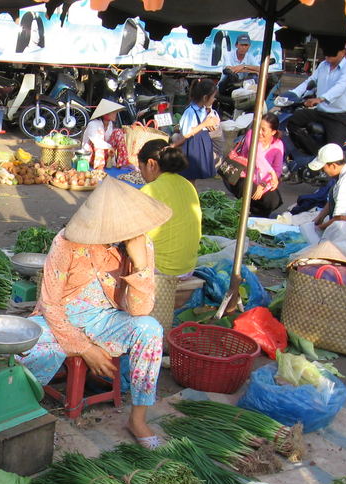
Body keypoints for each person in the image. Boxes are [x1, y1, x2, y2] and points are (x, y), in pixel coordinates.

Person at [18, 177, 172, 448]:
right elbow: (51, 304)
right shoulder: (66, 242)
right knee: (19, 353)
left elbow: (140, 310)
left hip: (107, 319)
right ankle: (21, 406)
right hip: (59, 320)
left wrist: (140, 265)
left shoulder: (141, 245)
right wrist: (84, 348)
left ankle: (137, 419)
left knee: (150, 329)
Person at [138, 140, 201, 338]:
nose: (141, 175)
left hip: (162, 272)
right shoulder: (188, 186)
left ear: (151, 164)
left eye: (141, 168)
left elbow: (134, 236)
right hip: (187, 268)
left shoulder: (150, 191)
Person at [287, 43, 346, 155]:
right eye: (327, 52)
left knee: (334, 154)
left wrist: (320, 99)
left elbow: (340, 87)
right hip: (320, 112)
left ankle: (324, 160)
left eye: (332, 53)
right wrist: (292, 93)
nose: (328, 56)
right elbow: (310, 81)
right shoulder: (323, 65)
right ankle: (315, 153)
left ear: (343, 52)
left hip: (339, 117)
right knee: (291, 120)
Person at [225, 113, 285, 218]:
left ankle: (256, 219)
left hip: (263, 182)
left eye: (263, 130)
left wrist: (264, 185)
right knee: (252, 191)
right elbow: (256, 155)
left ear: (273, 132)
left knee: (273, 200)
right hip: (240, 176)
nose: (259, 132)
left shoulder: (278, 144)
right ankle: (245, 214)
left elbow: (278, 170)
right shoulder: (251, 135)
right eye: (258, 127)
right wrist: (271, 173)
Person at [177, 78, 220, 182]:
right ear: (205, 97)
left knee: (194, 178)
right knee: (190, 178)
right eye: (213, 97)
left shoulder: (203, 110)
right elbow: (187, 133)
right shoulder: (190, 111)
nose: (214, 99)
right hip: (193, 148)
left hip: (200, 146)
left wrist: (210, 124)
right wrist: (205, 124)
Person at [81, 98, 129, 170]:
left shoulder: (110, 125)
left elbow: (109, 139)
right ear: (105, 114)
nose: (115, 115)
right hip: (91, 155)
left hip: (105, 154)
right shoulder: (93, 124)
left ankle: (122, 163)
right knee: (100, 136)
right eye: (113, 112)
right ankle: (99, 167)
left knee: (118, 132)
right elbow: (97, 142)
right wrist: (110, 147)